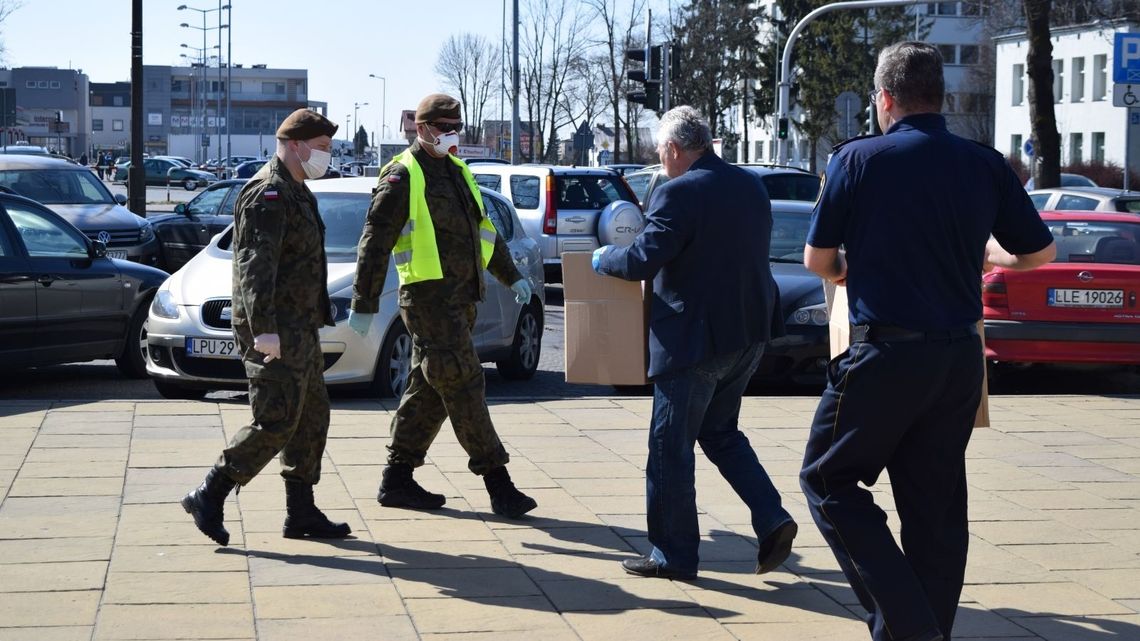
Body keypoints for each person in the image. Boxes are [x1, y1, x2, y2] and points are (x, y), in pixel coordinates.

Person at [800, 42, 1056, 641]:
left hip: (886, 356)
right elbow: (1040, 252)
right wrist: (989, 254)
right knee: (935, 510)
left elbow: (818, 258)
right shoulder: (984, 162)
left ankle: (912, 627)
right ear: (938, 97)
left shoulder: (857, 159)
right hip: (961, 359)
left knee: (828, 480)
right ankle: (922, 630)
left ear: (885, 100)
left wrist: (845, 271)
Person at [592, 106, 796, 580]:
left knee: (670, 448)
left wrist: (604, 258)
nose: (660, 158)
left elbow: (643, 259)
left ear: (674, 148)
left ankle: (673, 556)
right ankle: (772, 517)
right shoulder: (750, 184)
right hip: (749, 333)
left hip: (695, 341)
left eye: (661, 149)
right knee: (721, 433)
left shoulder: (678, 191)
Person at [348, 93, 538, 519]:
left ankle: (396, 479)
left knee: (428, 389)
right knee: (465, 384)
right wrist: (363, 301)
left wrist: (513, 276)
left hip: (462, 300)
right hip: (429, 301)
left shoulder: (457, 172)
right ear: (422, 128)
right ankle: (498, 484)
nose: (452, 134)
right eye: (445, 127)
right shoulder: (402, 175)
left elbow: (485, 232)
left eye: (457, 126)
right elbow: (374, 241)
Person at [181, 108, 351, 546]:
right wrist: (263, 331)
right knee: (274, 419)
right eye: (322, 148)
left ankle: (301, 512)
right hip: (274, 329)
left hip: (301, 327)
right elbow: (255, 268)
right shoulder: (268, 194)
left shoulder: (298, 189)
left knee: (311, 416)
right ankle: (211, 491)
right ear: (296, 145)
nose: (326, 157)